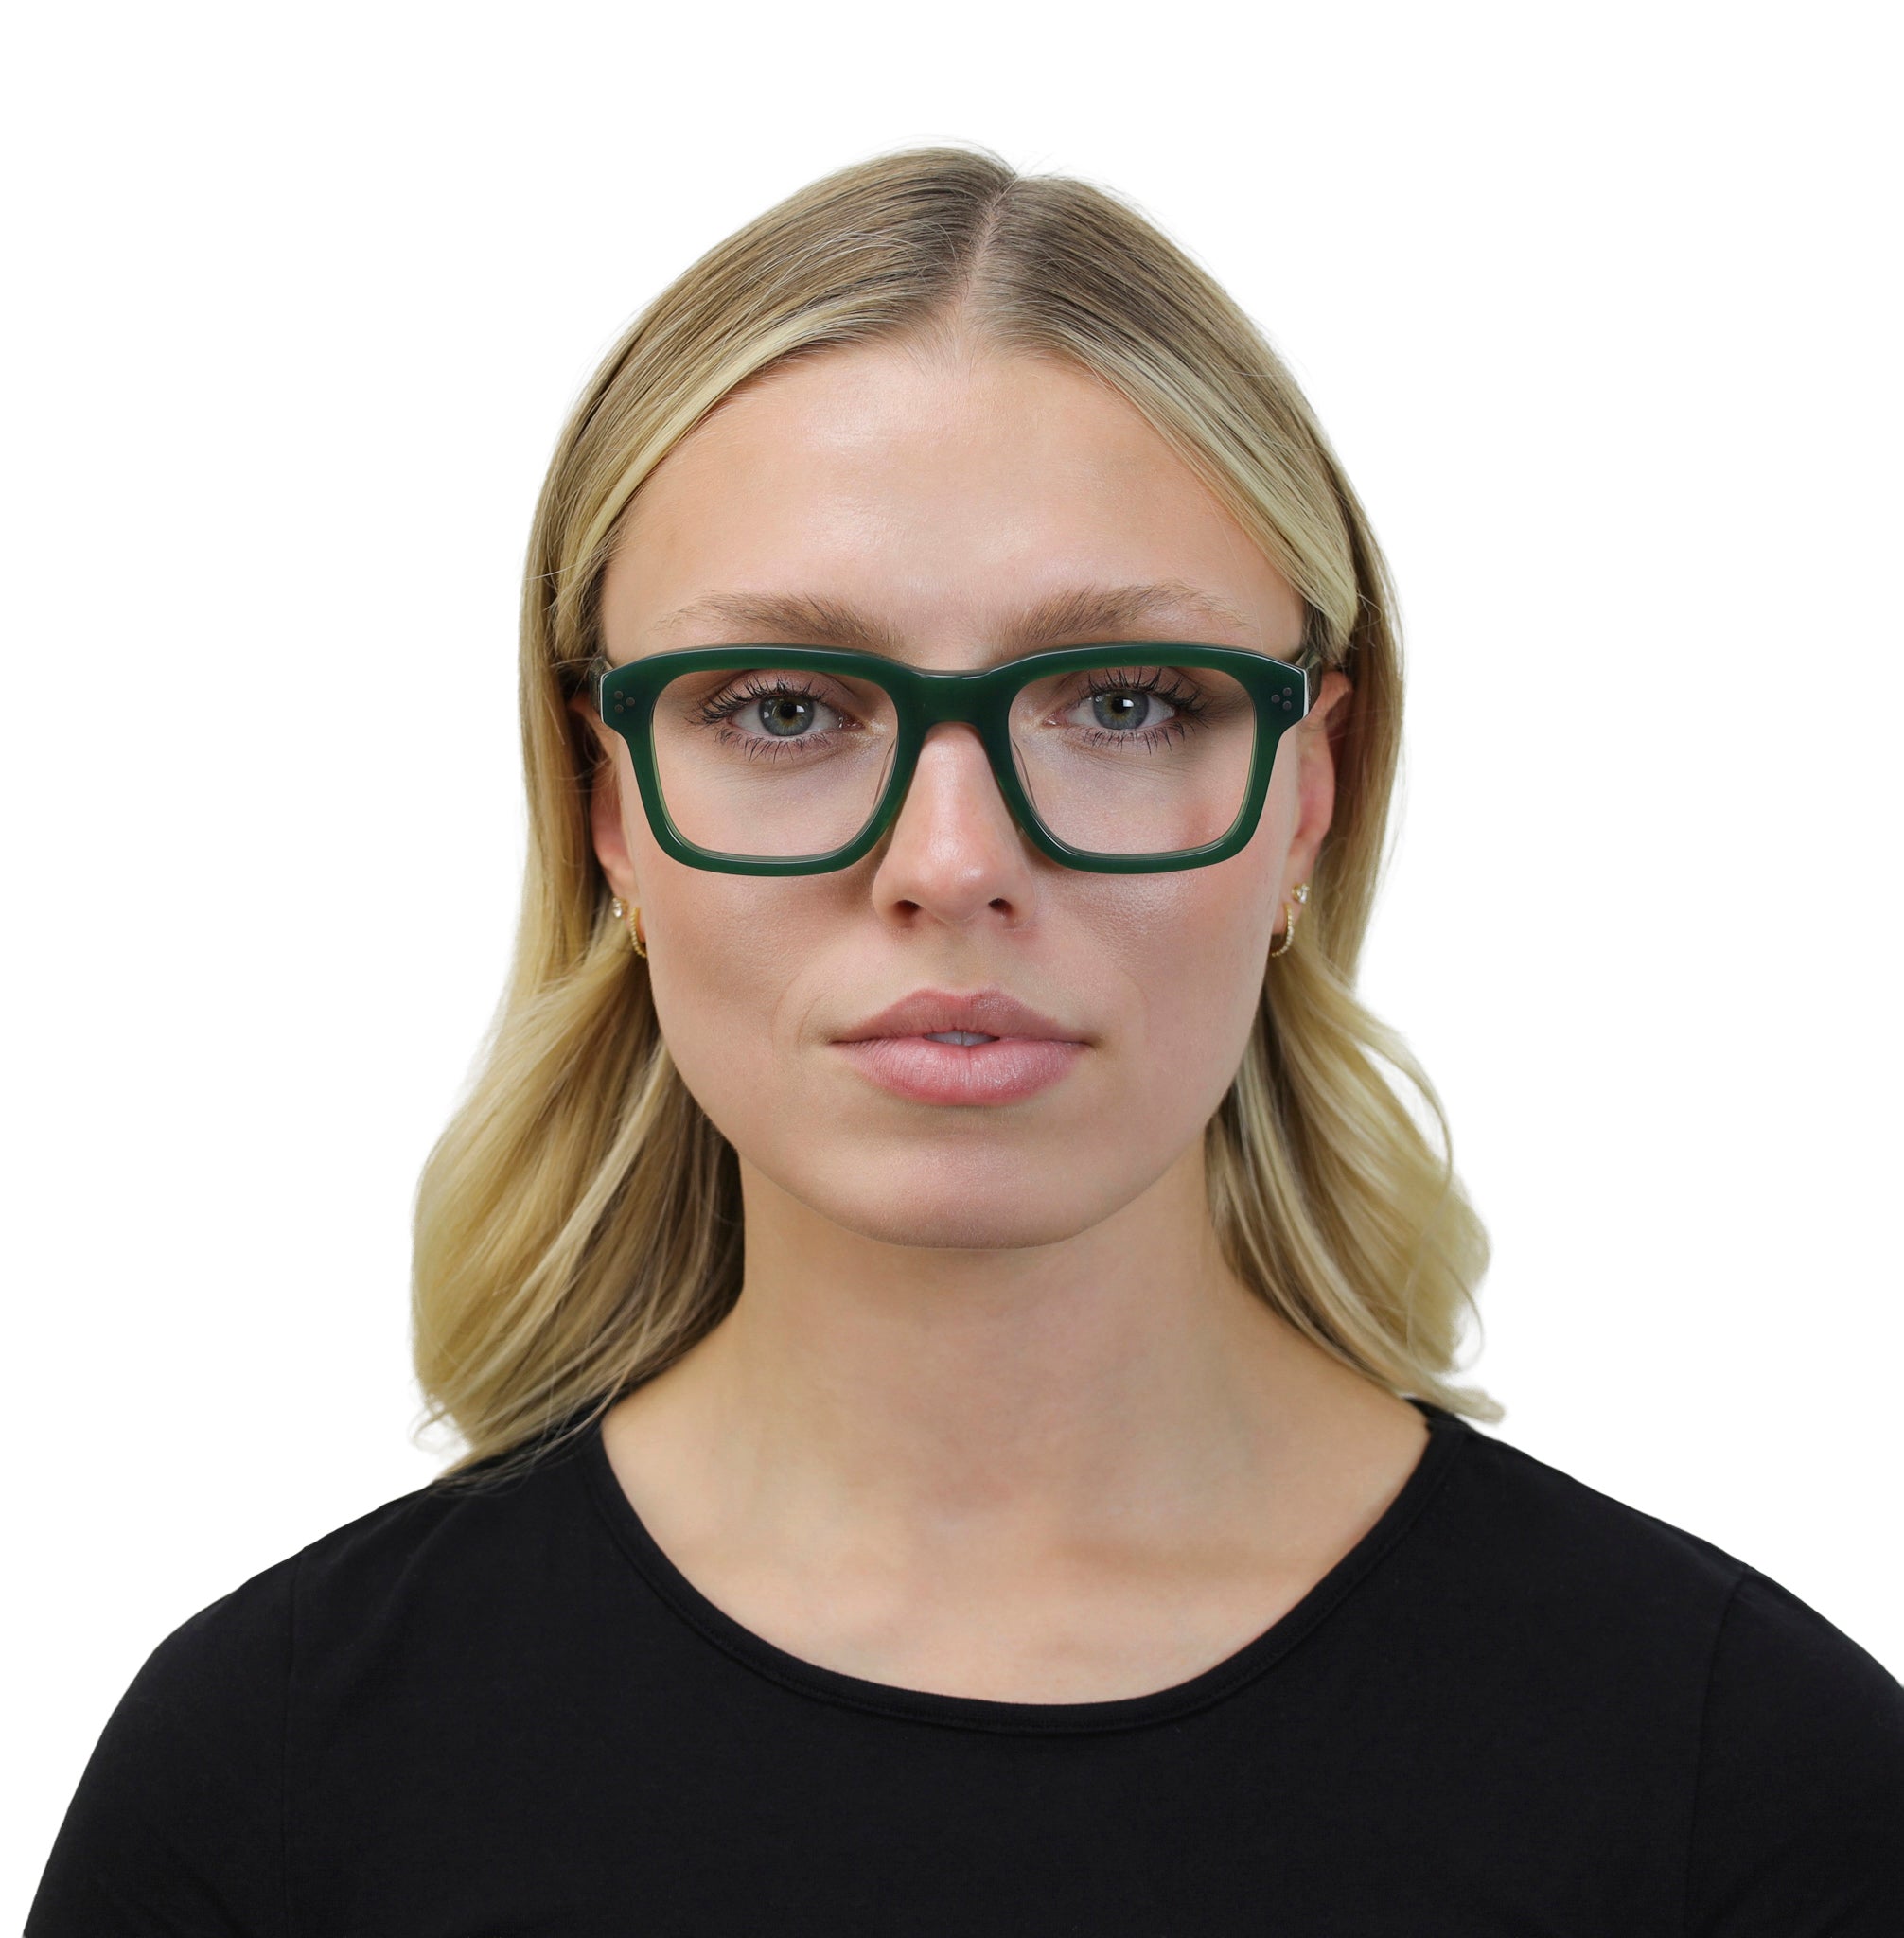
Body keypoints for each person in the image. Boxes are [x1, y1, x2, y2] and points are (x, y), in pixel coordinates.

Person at [26, 143, 1904, 1934]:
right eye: (781, 707)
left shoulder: (1748, 1784)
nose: (948, 863)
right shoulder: (268, 1782)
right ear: (607, 803)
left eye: (1125, 700)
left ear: (1307, 791)